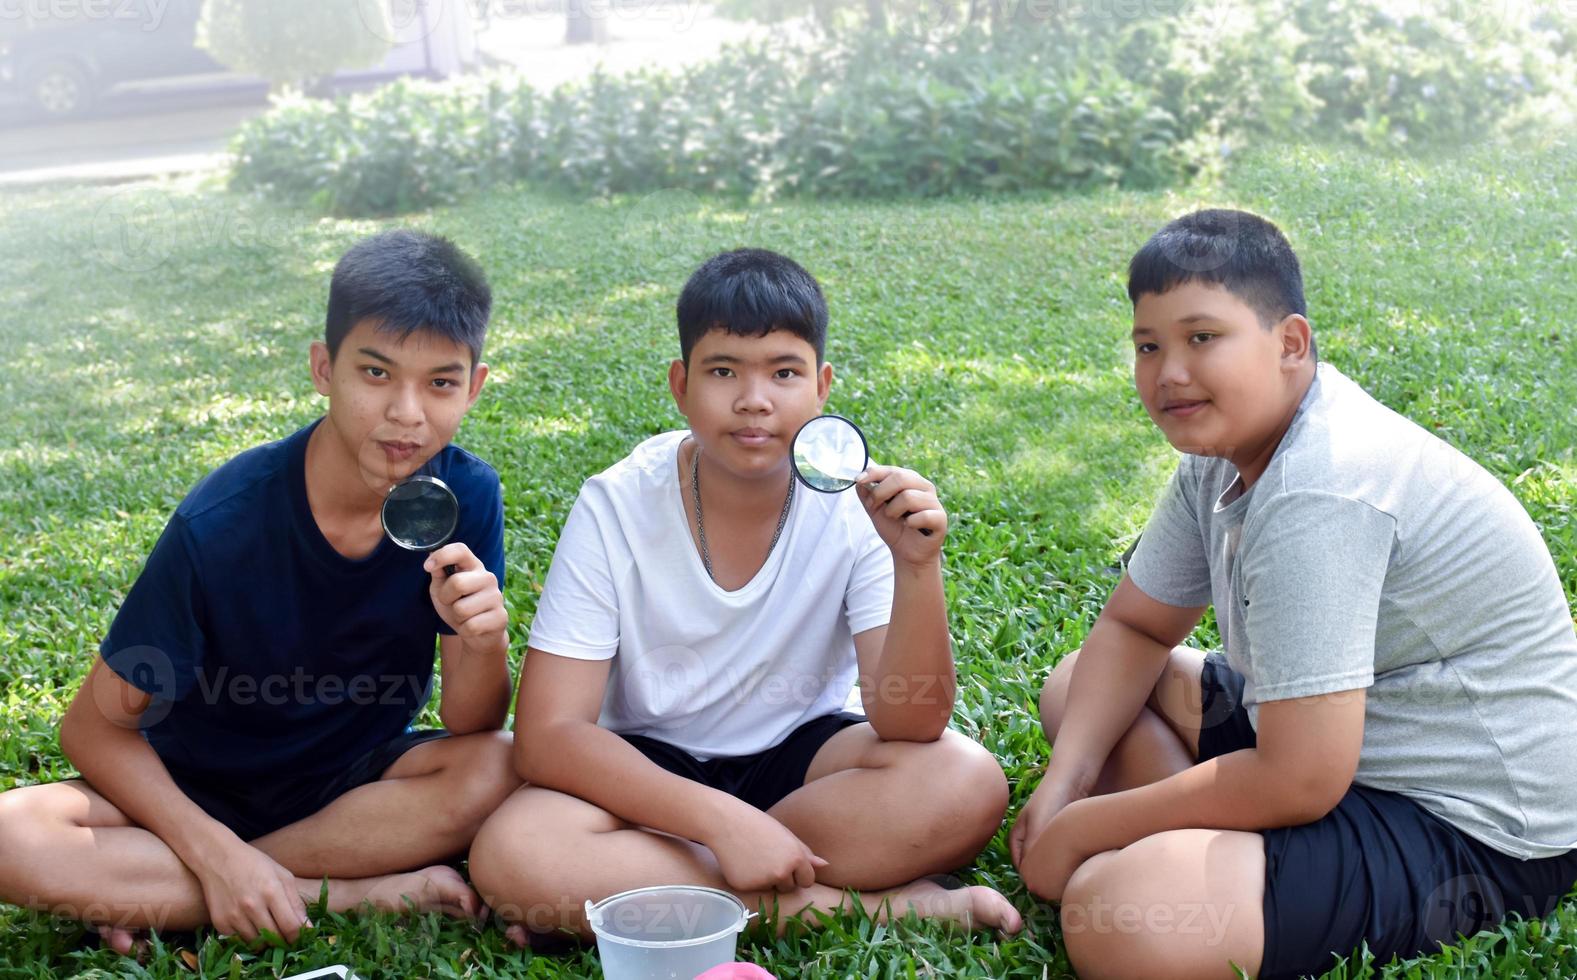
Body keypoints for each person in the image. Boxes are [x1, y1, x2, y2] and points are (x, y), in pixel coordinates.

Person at [1009, 209, 1577, 979]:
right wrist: (1063, 786)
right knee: (1079, 685)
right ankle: (1212, 847)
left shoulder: (1326, 485)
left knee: (1119, 914)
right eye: (1148, 345)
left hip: (1473, 826)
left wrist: (1084, 831)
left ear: (1289, 343)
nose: (1168, 371)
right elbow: (1137, 630)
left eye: (1201, 337)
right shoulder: (1219, 451)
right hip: (1328, 751)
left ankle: (1189, 855)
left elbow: (1299, 778)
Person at [469, 248, 1022, 944]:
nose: (754, 400)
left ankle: (630, 899)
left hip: (807, 762)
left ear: (821, 387)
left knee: (964, 782)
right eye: (723, 371)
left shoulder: (860, 505)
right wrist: (721, 822)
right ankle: (866, 905)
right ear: (680, 385)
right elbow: (548, 737)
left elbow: (910, 724)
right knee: (517, 854)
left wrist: (916, 567)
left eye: (783, 373)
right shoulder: (615, 502)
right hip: (648, 767)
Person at [0, 230, 520, 955]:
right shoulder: (225, 522)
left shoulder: (465, 494)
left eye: (440, 382)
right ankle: (334, 891)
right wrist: (215, 850)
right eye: (375, 373)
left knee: (498, 762)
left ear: (475, 385)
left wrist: (482, 640)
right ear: (322, 368)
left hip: (347, 788)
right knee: (10, 835)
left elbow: (471, 722)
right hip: (193, 786)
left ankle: (172, 892)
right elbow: (91, 728)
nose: (407, 412)